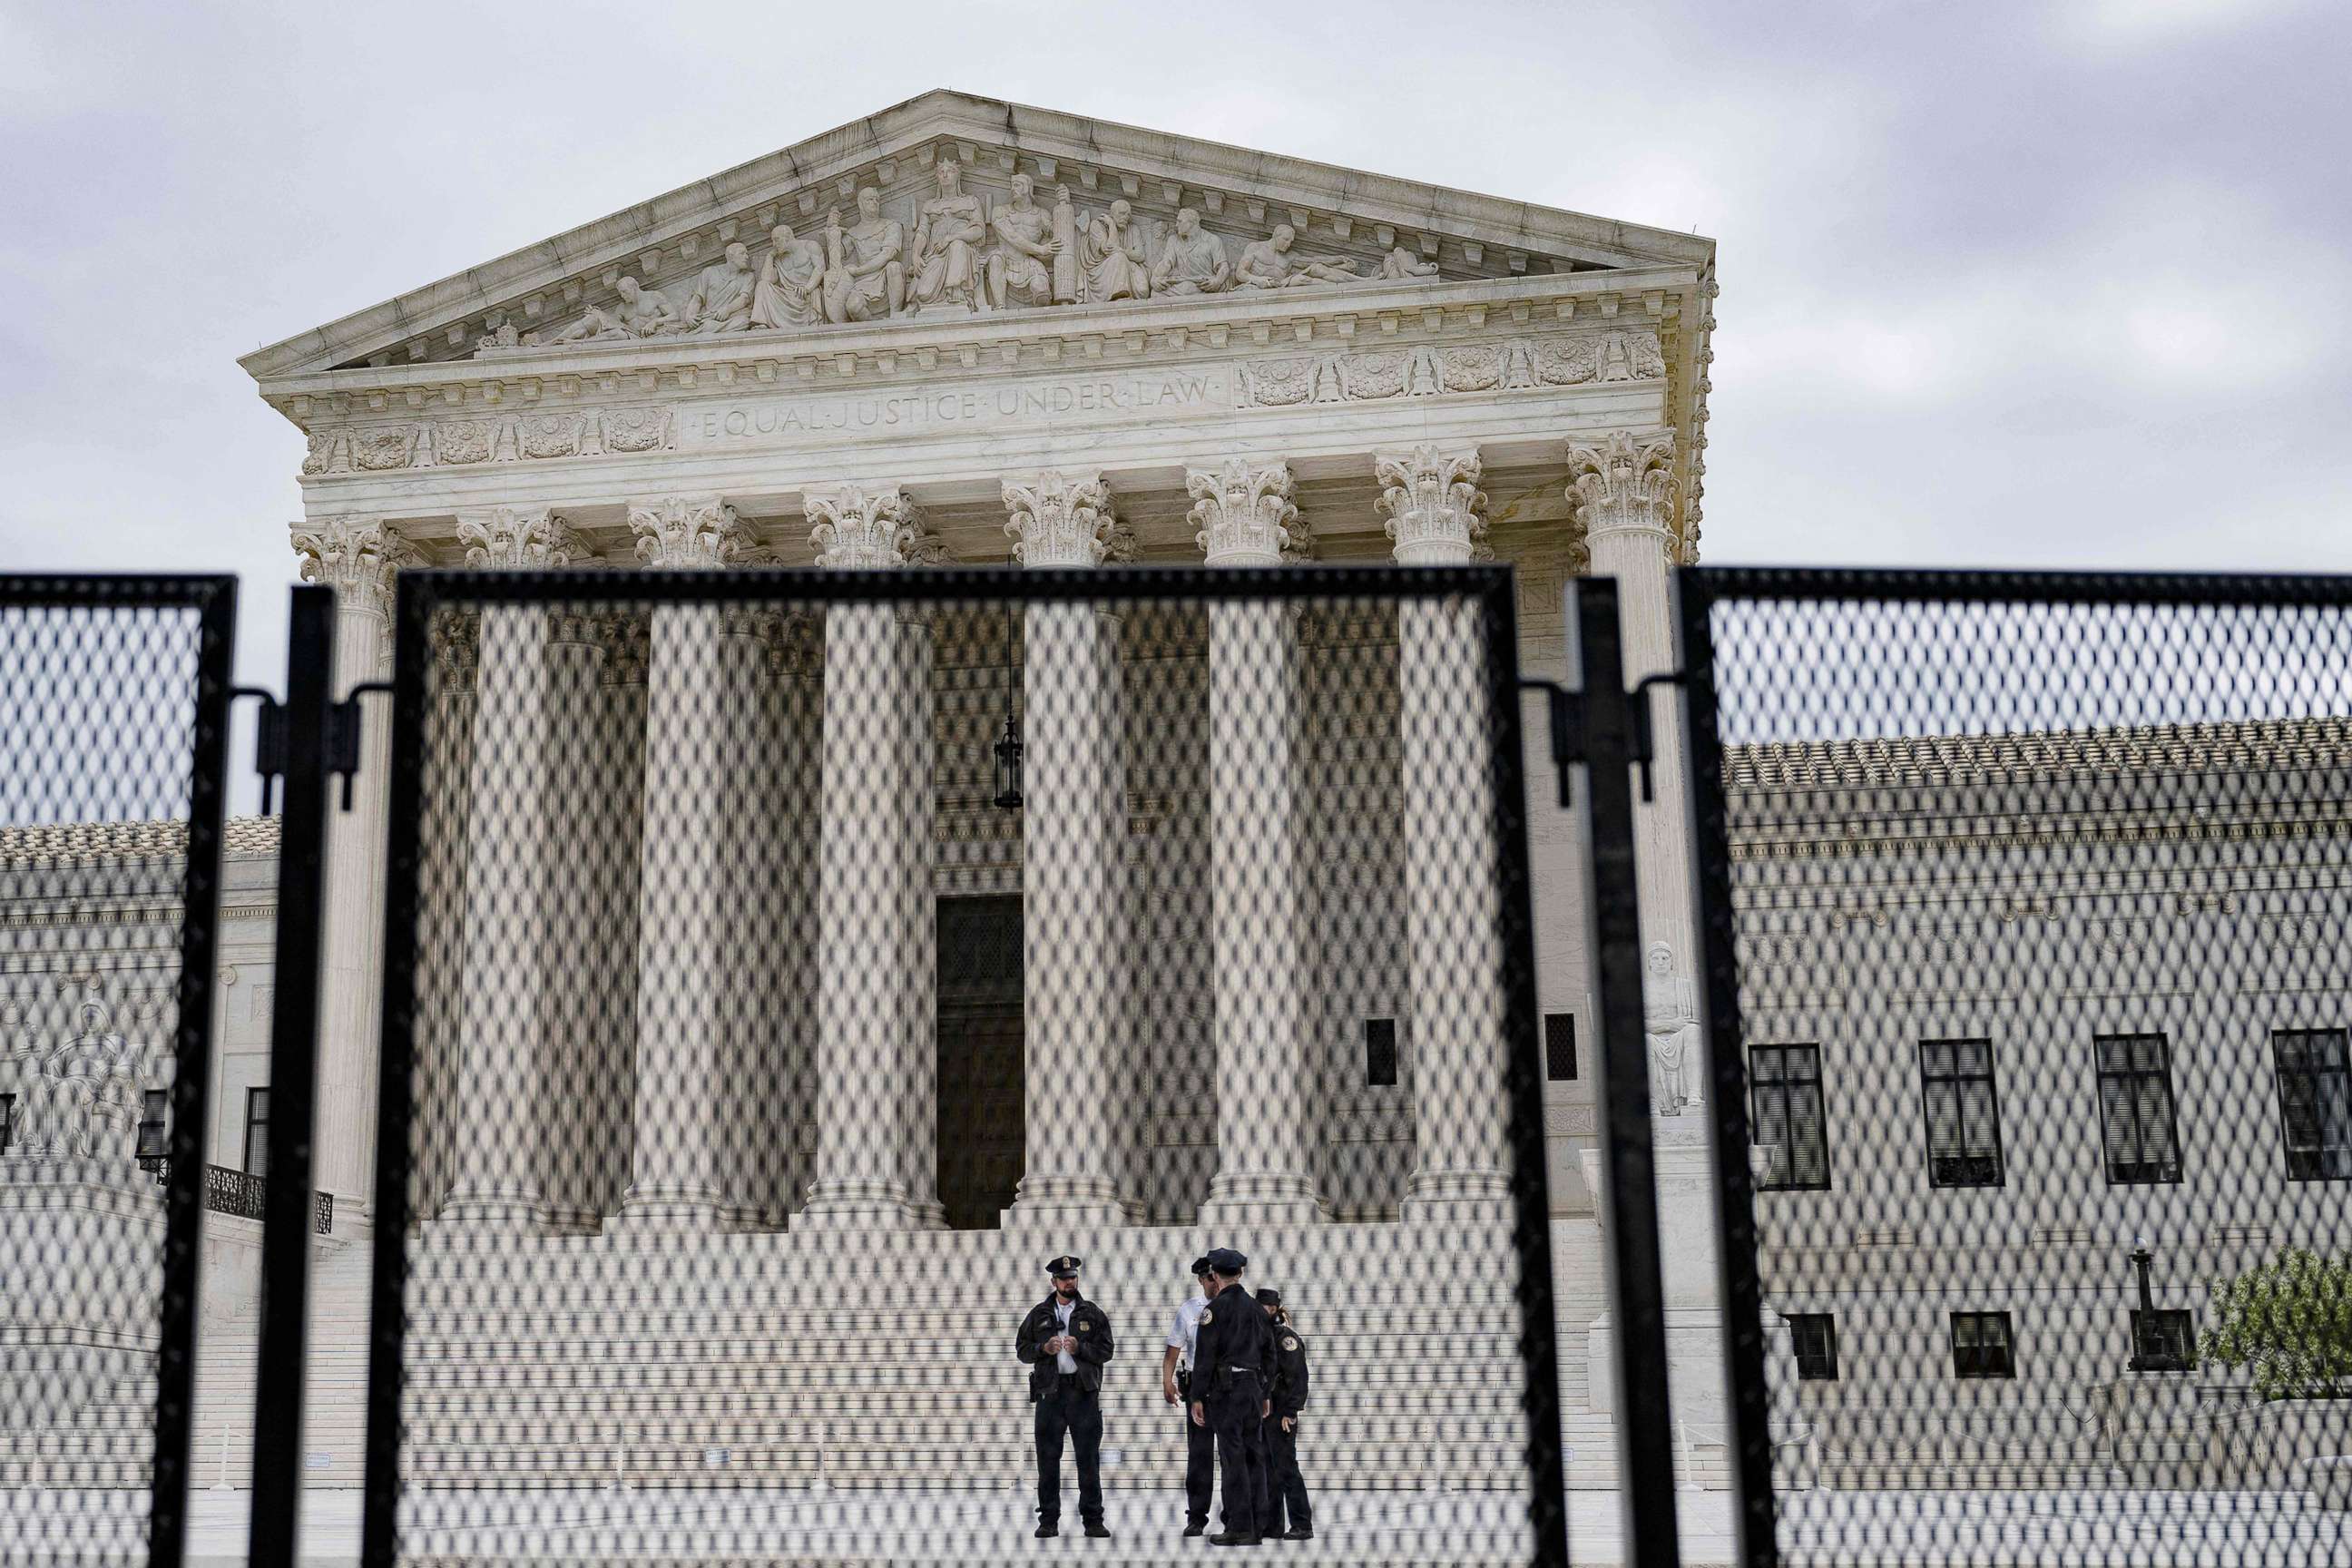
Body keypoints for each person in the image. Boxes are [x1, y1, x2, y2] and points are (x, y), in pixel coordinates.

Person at [1016, 1254, 1114, 1540]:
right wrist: (1042, 1349)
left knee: (1088, 1459)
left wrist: (1080, 1348)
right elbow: (1021, 1348)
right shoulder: (1039, 1313)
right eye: (1064, 1278)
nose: (1069, 1282)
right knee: (1048, 1459)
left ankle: (1093, 1520)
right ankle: (1048, 1520)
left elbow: (1107, 1351)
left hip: (1083, 1392)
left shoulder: (1091, 1312)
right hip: (1050, 1393)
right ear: (1053, 1281)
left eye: (1073, 1277)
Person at [1187, 1247, 1275, 1546]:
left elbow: (1205, 1358)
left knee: (1233, 1458)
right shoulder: (1255, 1308)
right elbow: (1270, 1355)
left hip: (1226, 1391)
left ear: (1214, 1275)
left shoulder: (1215, 1310)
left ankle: (1239, 1525)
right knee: (1255, 1455)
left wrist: (1197, 1396)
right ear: (1239, 1273)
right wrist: (1265, 1392)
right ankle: (1259, 1523)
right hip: (1252, 1388)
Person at [1161, 1257, 1220, 1537]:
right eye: (1209, 1278)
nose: (1214, 1282)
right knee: (1199, 1455)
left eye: (1217, 1276)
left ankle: (1235, 1514)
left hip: (1231, 1384)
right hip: (1199, 1385)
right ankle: (1197, 1515)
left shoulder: (1236, 1306)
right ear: (1201, 1280)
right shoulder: (1189, 1310)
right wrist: (1167, 1380)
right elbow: (1173, 1349)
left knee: (1236, 1453)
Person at [1255, 1289, 1313, 1540]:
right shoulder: (1259, 1336)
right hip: (1264, 1413)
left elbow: (1299, 1378)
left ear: (1275, 1308)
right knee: (1268, 1468)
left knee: (1287, 1468)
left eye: (1267, 1307)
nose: (1263, 1311)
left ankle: (1302, 1524)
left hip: (1281, 1413)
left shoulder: (1285, 1338)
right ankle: (1273, 1524)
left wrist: (1290, 1412)